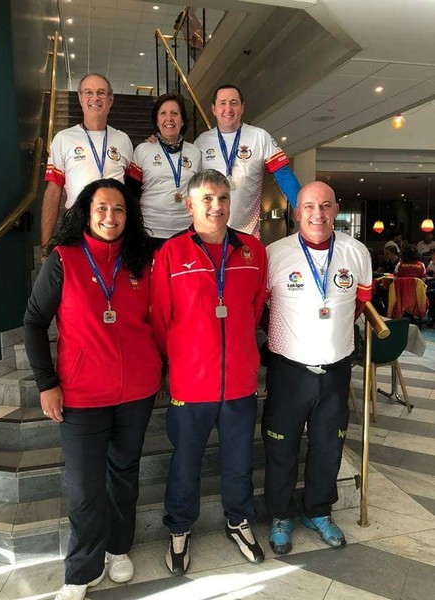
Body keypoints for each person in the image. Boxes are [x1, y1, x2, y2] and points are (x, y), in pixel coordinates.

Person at [24, 179, 161, 600]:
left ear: (128, 216)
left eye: (119, 209)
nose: (110, 216)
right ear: (85, 212)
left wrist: (161, 366)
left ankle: (118, 549)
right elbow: (34, 322)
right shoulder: (64, 259)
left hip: (136, 392)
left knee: (124, 475)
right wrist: (47, 383)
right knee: (85, 487)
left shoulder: (141, 261)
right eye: (101, 207)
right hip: (81, 395)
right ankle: (81, 569)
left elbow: (159, 319)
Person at [150, 169, 267, 575]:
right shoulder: (170, 253)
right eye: (207, 199)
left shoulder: (253, 251)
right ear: (190, 205)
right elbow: (160, 319)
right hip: (190, 383)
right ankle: (179, 528)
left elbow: (254, 308)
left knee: (239, 461)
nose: (216, 206)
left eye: (223, 198)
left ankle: (239, 521)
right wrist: (176, 362)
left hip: (239, 381)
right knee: (185, 463)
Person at [262, 181, 372, 555]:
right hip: (288, 371)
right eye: (309, 206)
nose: (318, 214)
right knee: (281, 447)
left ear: (336, 209)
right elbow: (261, 307)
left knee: (328, 446)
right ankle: (280, 515)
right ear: (297, 212)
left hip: (336, 370)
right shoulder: (275, 254)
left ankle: (318, 511)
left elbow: (360, 304)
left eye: (326, 205)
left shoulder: (356, 252)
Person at [41, 73, 133, 252]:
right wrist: (46, 245)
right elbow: (53, 192)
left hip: (113, 224)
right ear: (80, 98)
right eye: (88, 92)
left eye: (101, 93)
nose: (95, 98)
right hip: (77, 225)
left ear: (111, 99)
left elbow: (132, 189)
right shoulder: (63, 139)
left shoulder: (123, 140)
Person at [194, 84, 301, 238]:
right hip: (209, 234)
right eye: (222, 103)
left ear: (242, 107)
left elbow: (284, 175)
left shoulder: (260, 137)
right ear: (213, 109)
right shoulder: (201, 142)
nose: (228, 109)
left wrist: (302, 206)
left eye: (234, 103)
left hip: (248, 235)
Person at [127, 93, 201, 249]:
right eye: (163, 113)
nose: (169, 118)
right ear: (157, 120)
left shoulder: (194, 152)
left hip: (185, 231)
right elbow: (132, 193)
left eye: (175, 113)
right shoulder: (143, 150)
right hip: (150, 231)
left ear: (182, 120)